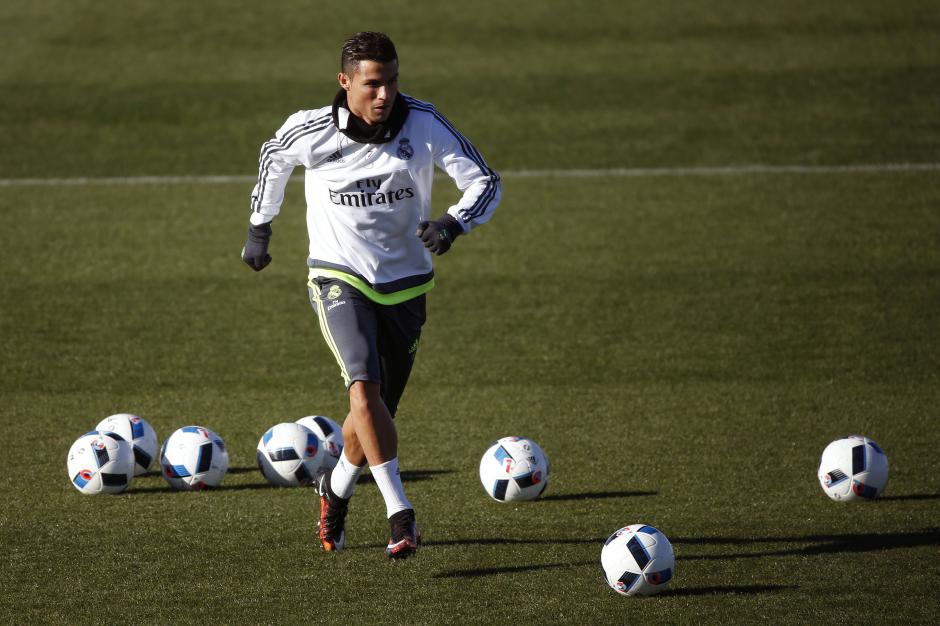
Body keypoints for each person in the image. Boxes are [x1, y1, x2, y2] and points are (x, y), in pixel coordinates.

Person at [241, 31, 500, 559]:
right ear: (345, 82)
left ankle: (335, 489)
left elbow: (485, 181)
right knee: (362, 388)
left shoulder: (423, 123)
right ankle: (400, 513)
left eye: (393, 81)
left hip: (407, 283)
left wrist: (453, 224)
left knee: (376, 411)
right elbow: (274, 157)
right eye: (373, 84)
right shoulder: (312, 129)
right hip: (338, 274)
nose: (385, 94)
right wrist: (259, 227)